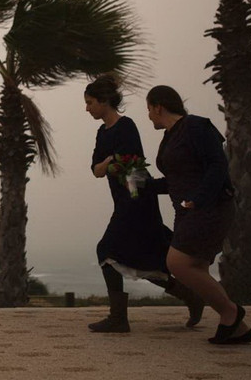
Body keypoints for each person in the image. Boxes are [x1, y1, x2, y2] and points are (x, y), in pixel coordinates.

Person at [84, 75, 203, 333]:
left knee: (105, 250)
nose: (87, 108)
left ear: (104, 101)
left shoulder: (126, 126)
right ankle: (192, 296)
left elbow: (129, 164)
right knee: (146, 259)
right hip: (123, 201)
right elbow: (96, 169)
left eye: (90, 102)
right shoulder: (101, 132)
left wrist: (109, 164)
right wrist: (108, 163)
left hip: (137, 199)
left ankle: (118, 318)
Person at [145, 85, 251, 345]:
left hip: (209, 207)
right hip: (186, 210)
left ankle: (231, 312)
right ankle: (239, 329)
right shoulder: (169, 137)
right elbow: (176, 180)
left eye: (148, 109)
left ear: (158, 107)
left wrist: (198, 199)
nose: (148, 115)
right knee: (196, 269)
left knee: (177, 263)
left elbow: (218, 165)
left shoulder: (195, 126)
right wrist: (146, 185)